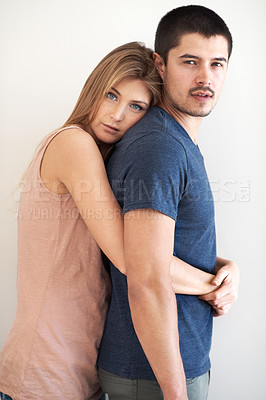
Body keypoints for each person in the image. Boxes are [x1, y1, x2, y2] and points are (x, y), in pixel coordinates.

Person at [0, 40, 228, 400]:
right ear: (93, 90)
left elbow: (137, 244)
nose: (117, 115)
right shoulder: (72, 144)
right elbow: (134, 260)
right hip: (44, 375)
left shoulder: (103, 161)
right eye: (111, 96)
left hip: (81, 371)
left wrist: (222, 266)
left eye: (135, 106)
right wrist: (213, 284)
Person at [98, 6, 239, 400]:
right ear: (160, 65)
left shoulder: (178, 140)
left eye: (217, 64)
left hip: (172, 367)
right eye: (190, 62)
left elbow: (167, 246)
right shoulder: (159, 147)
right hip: (154, 377)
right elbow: (145, 280)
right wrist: (175, 394)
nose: (205, 78)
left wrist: (224, 270)